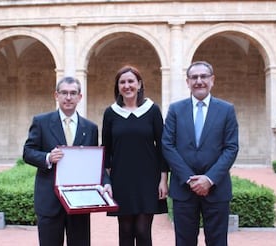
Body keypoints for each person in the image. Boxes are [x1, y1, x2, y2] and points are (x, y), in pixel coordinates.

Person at [23, 76, 111, 246]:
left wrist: (106, 181)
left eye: (73, 93)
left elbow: (94, 163)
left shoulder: (90, 128)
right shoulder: (41, 122)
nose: (68, 97)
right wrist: (47, 157)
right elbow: (27, 152)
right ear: (56, 95)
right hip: (49, 201)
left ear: (80, 97)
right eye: (64, 93)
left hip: (80, 201)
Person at [162, 61, 239, 246]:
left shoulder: (226, 110)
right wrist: (189, 178)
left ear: (212, 80)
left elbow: (231, 147)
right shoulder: (176, 109)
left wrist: (209, 179)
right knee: (184, 242)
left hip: (216, 188)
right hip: (183, 189)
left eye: (203, 77)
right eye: (194, 77)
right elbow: (167, 145)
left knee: (217, 242)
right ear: (187, 82)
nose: (199, 81)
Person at [101, 65, 169, 246]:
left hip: (147, 179)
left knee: (143, 230)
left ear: (139, 84)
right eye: (122, 82)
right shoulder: (111, 113)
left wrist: (163, 180)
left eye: (131, 81)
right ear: (118, 86)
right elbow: (106, 150)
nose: (127, 85)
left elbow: (162, 147)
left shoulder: (152, 110)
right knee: (125, 230)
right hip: (121, 179)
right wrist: (107, 182)